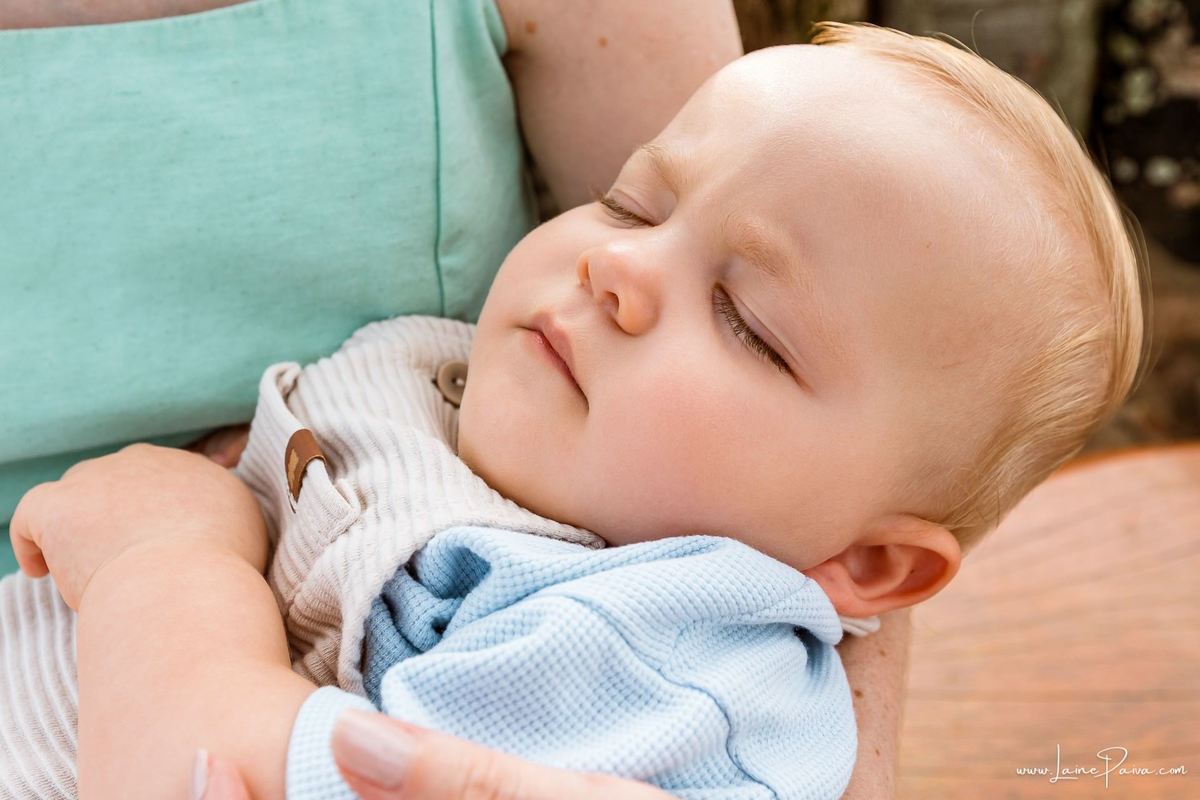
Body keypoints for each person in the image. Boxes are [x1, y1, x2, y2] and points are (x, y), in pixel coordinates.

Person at [7, 20, 1144, 799]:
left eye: (747, 321)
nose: (618, 267)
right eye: (632, 201)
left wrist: (166, 555)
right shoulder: (491, 409)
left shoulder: (649, 665)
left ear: (869, 565)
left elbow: (196, 778)